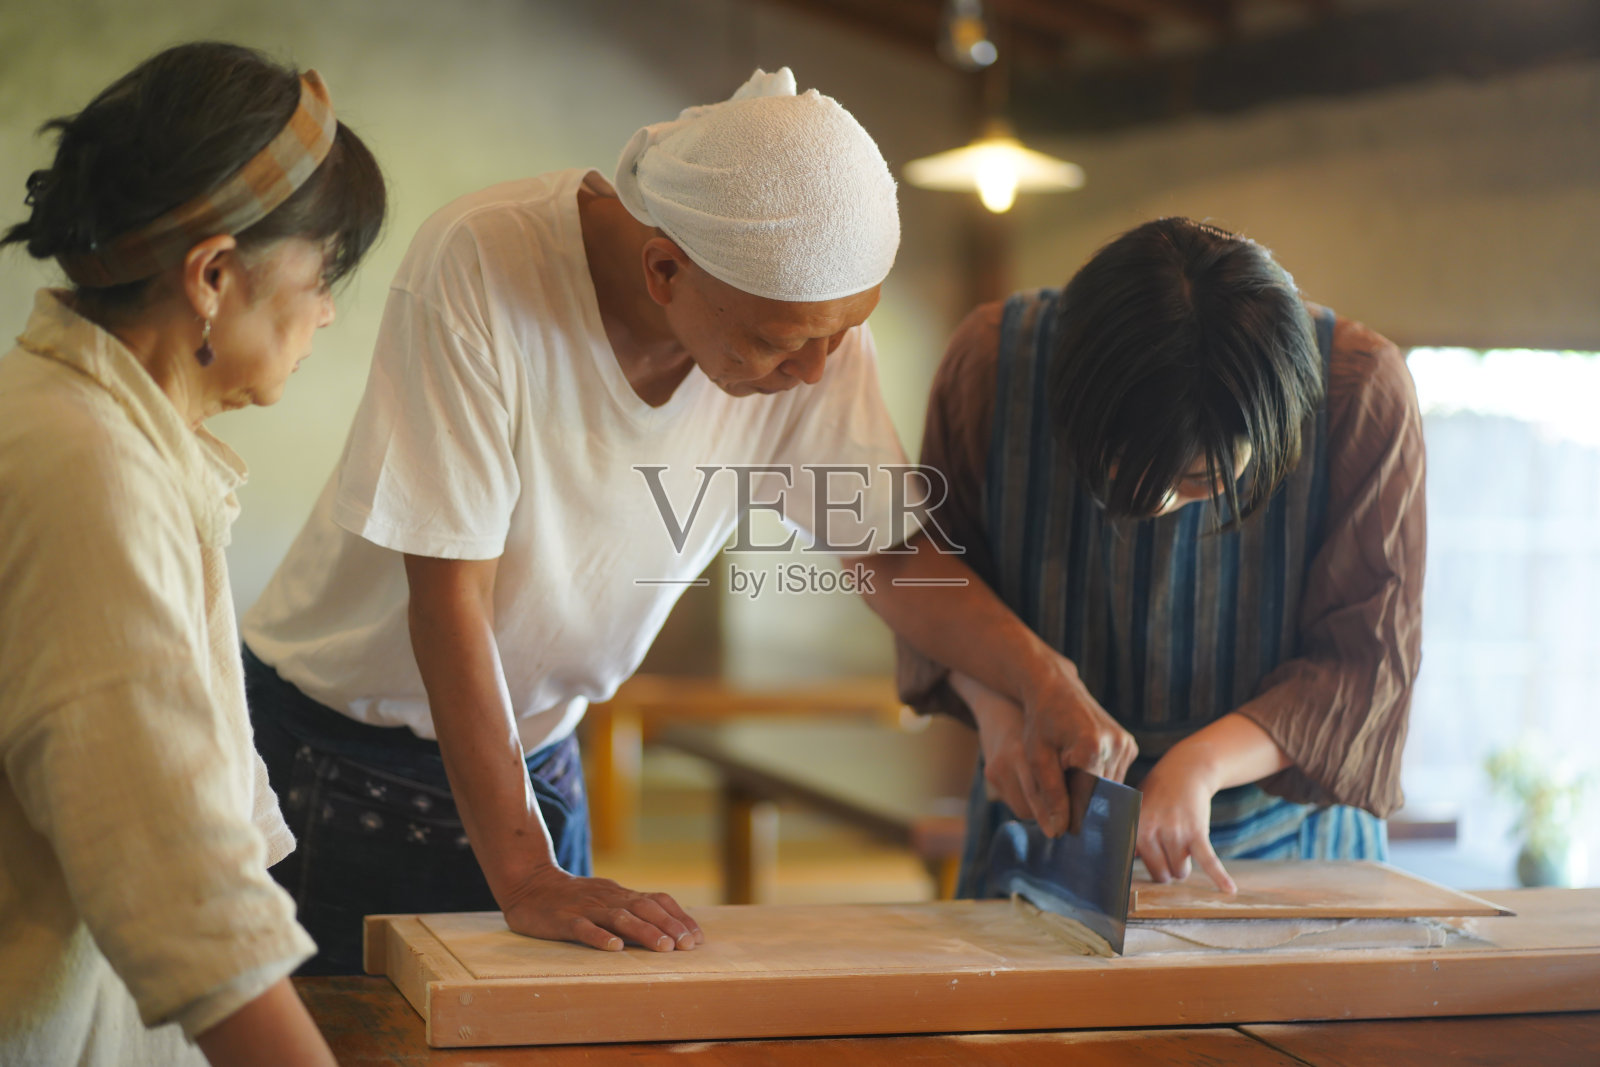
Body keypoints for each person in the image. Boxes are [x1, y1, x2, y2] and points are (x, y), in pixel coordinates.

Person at [241, 67, 1129, 973]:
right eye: (784, 341)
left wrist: (1038, 676)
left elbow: (888, 555)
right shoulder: (482, 264)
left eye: (844, 331)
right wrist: (527, 872)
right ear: (665, 268)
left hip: (539, 759)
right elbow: (449, 600)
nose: (818, 371)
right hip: (341, 758)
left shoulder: (802, 323)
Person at [0, 42, 385, 1066]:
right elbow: (181, 880)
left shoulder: (96, 428)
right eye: (322, 272)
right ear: (214, 274)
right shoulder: (87, 469)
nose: (327, 310)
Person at [897, 218, 1426, 897]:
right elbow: (926, 580)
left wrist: (1200, 765)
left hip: (1286, 859)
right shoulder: (993, 366)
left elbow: (1365, 666)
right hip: (1042, 847)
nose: (1152, 506)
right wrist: (1002, 710)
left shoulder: (1362, 394)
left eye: (1202, 483)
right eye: (1117, 472)